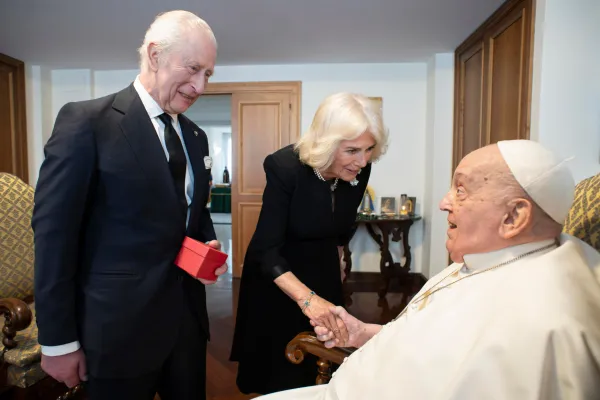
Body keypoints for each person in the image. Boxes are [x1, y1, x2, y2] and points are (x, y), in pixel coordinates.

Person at [258, 140, 600, 399]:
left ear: (514, 217)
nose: (443, 202)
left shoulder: (542, 322)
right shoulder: (485, 259)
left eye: (461, 190)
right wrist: (363, 333)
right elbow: (431, 348)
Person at [32, 10, 226, 400]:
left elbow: (193, 211)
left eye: (207, 74)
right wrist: (57, 341)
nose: (200, 86)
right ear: (155, 55)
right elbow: (54, 237)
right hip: (116, 334)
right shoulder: (86, 122)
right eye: (193, 69)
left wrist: (206, 247)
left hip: (186, 328)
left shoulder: (196, 136)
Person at [230, 92, 389, 395]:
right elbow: (266, 250)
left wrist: (338, 258)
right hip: (280, 274)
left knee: (322, 359)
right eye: (352, 150)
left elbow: (342, 225)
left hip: (322, 267)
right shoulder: (284, 167)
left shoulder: (359, 169)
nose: (362, 161)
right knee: (280, 370)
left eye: (369, 149)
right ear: (326, 144)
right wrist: (308, 300)